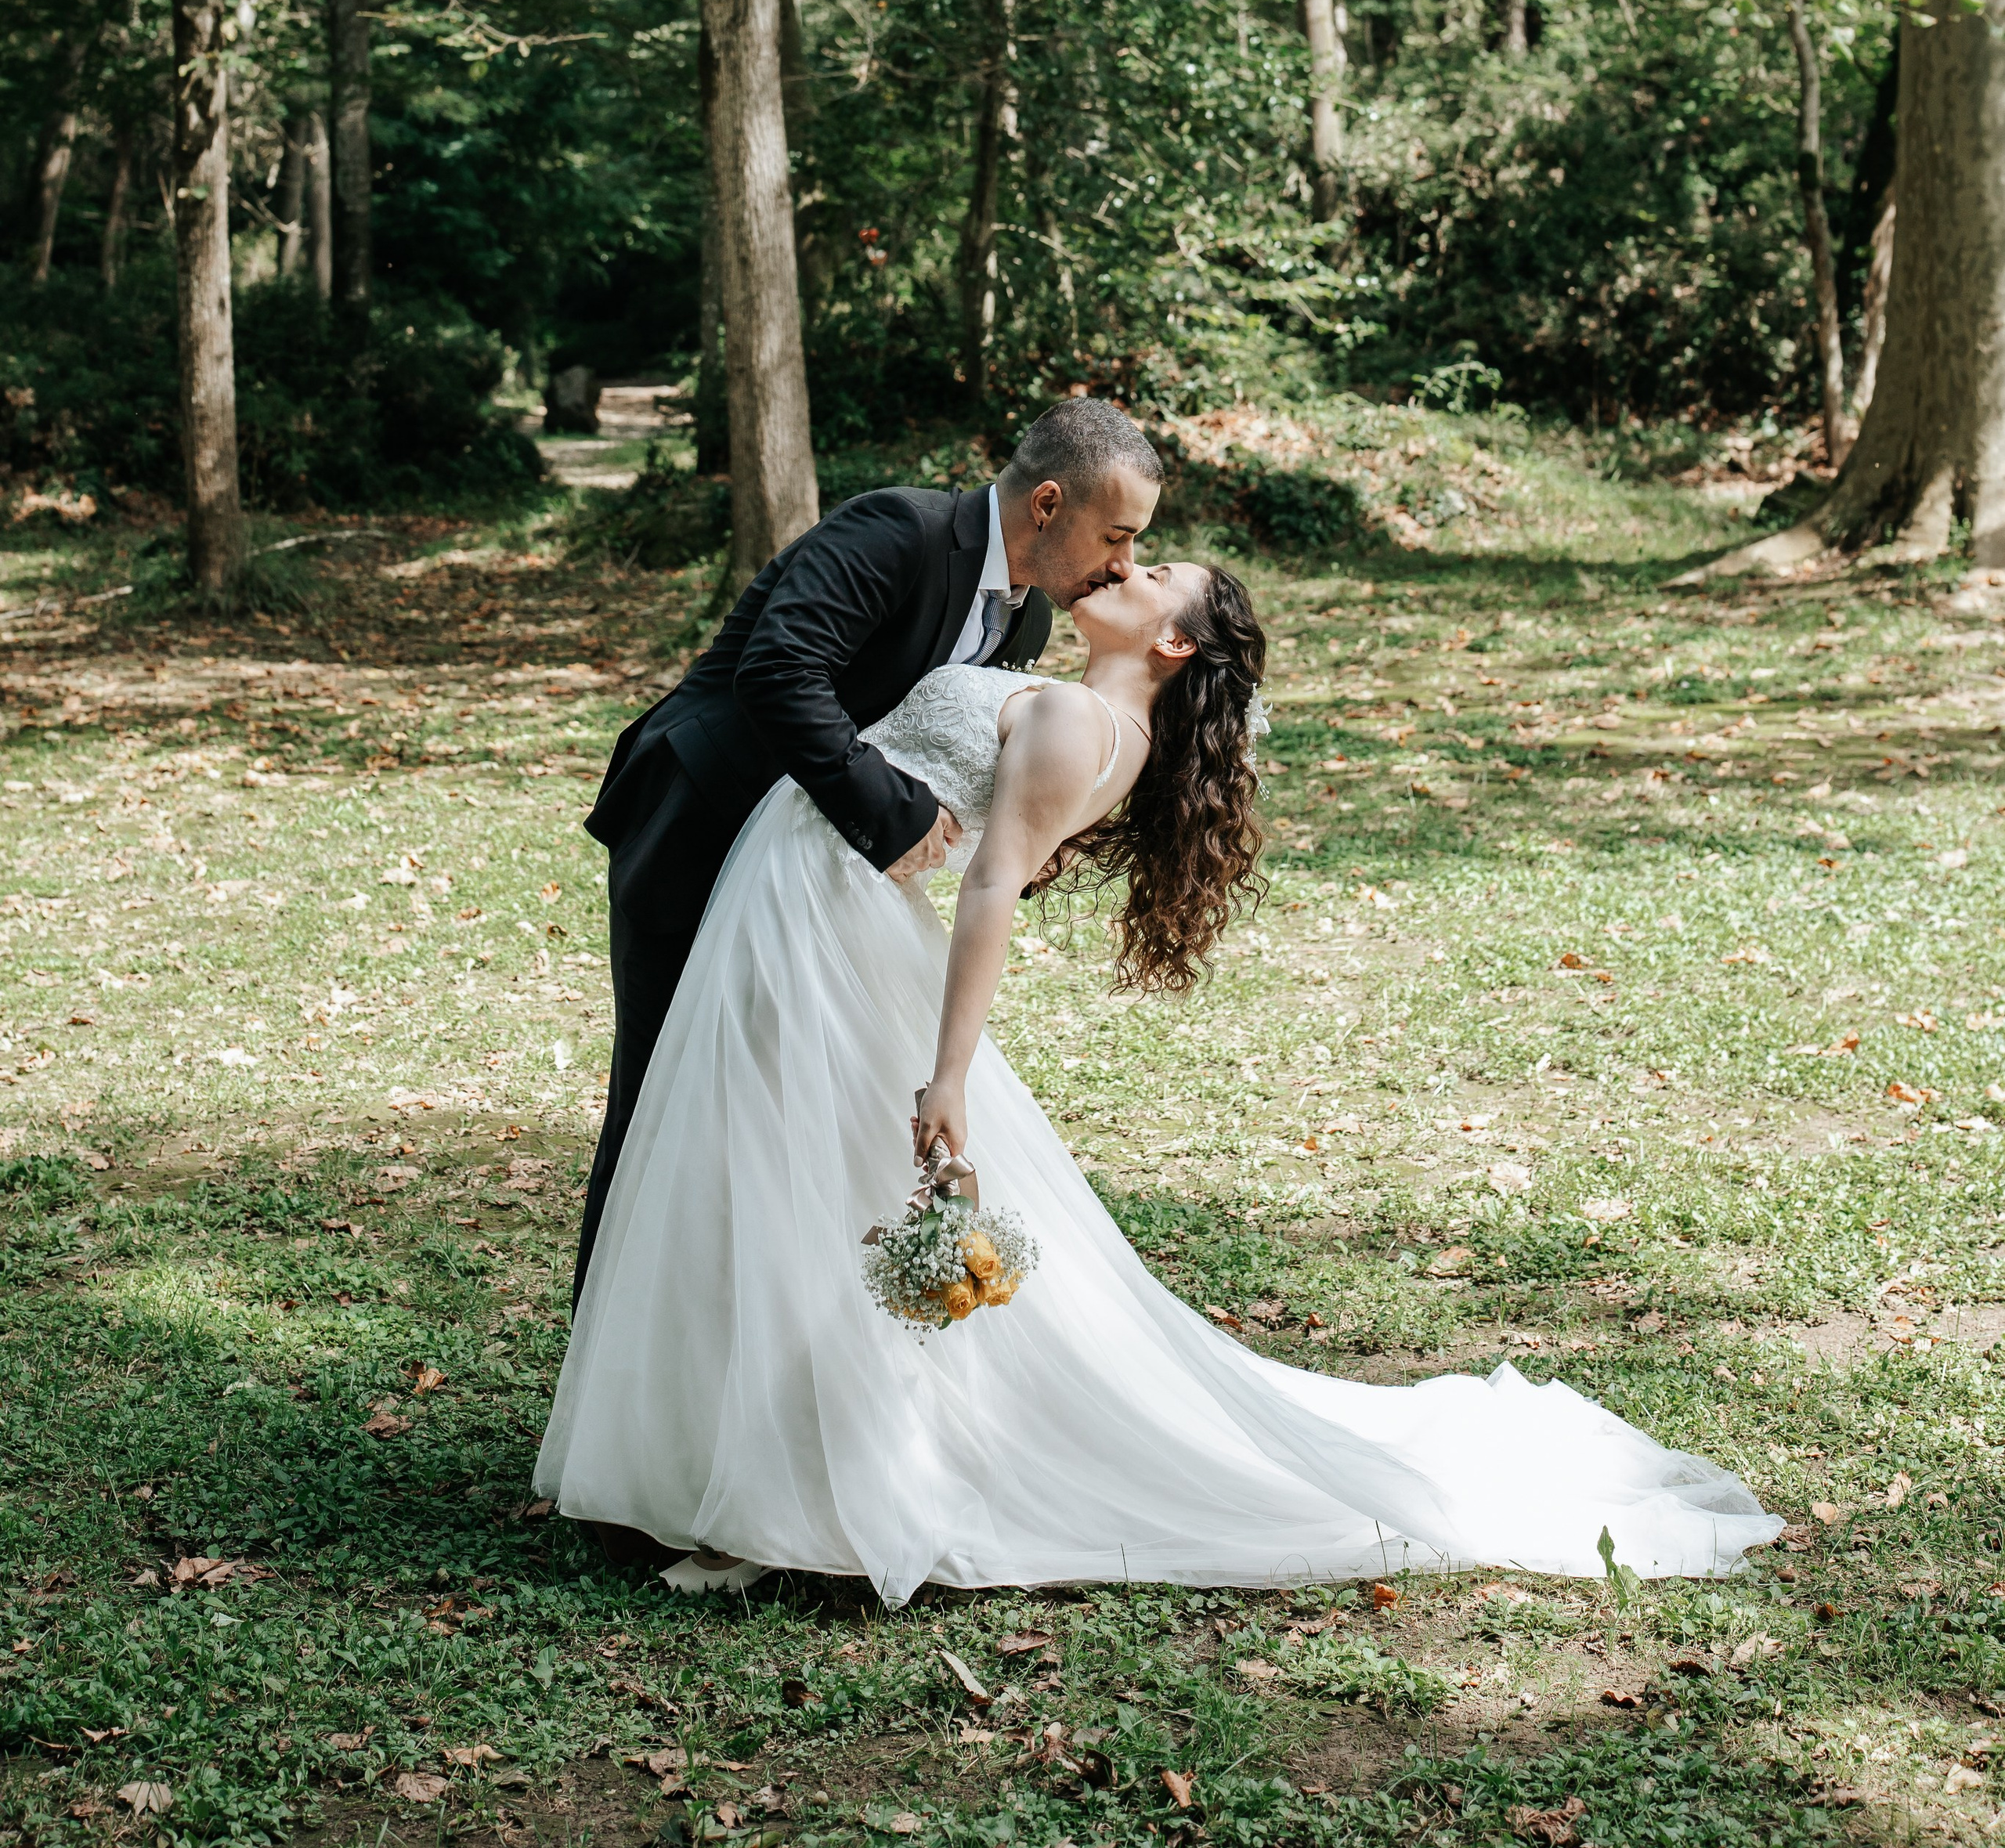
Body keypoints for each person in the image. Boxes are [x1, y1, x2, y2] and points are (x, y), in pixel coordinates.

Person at [537, 558, 1779, 1602]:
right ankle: (749, 1466)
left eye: (1150, 573)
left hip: (824, 927)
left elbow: (991, 888)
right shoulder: (1092, 715)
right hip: (809, 909)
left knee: (790, 1181)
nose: (1122, 569)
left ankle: (793, 1495)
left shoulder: (1085, 722)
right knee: (773, 1178)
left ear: (1176, 641)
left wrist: (947, 1073)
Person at [570, 397, 1165, 1302]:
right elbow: (775, 671)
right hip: (698, 818)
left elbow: (943, 746)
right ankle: (606, 1378)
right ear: (1048, 505)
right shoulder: (898, 529)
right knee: (660, 1101)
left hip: (811, 888)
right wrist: (893, 815)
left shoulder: (1028, 622)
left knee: (770, 1110)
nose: (1121, 564)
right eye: (1117, 536)